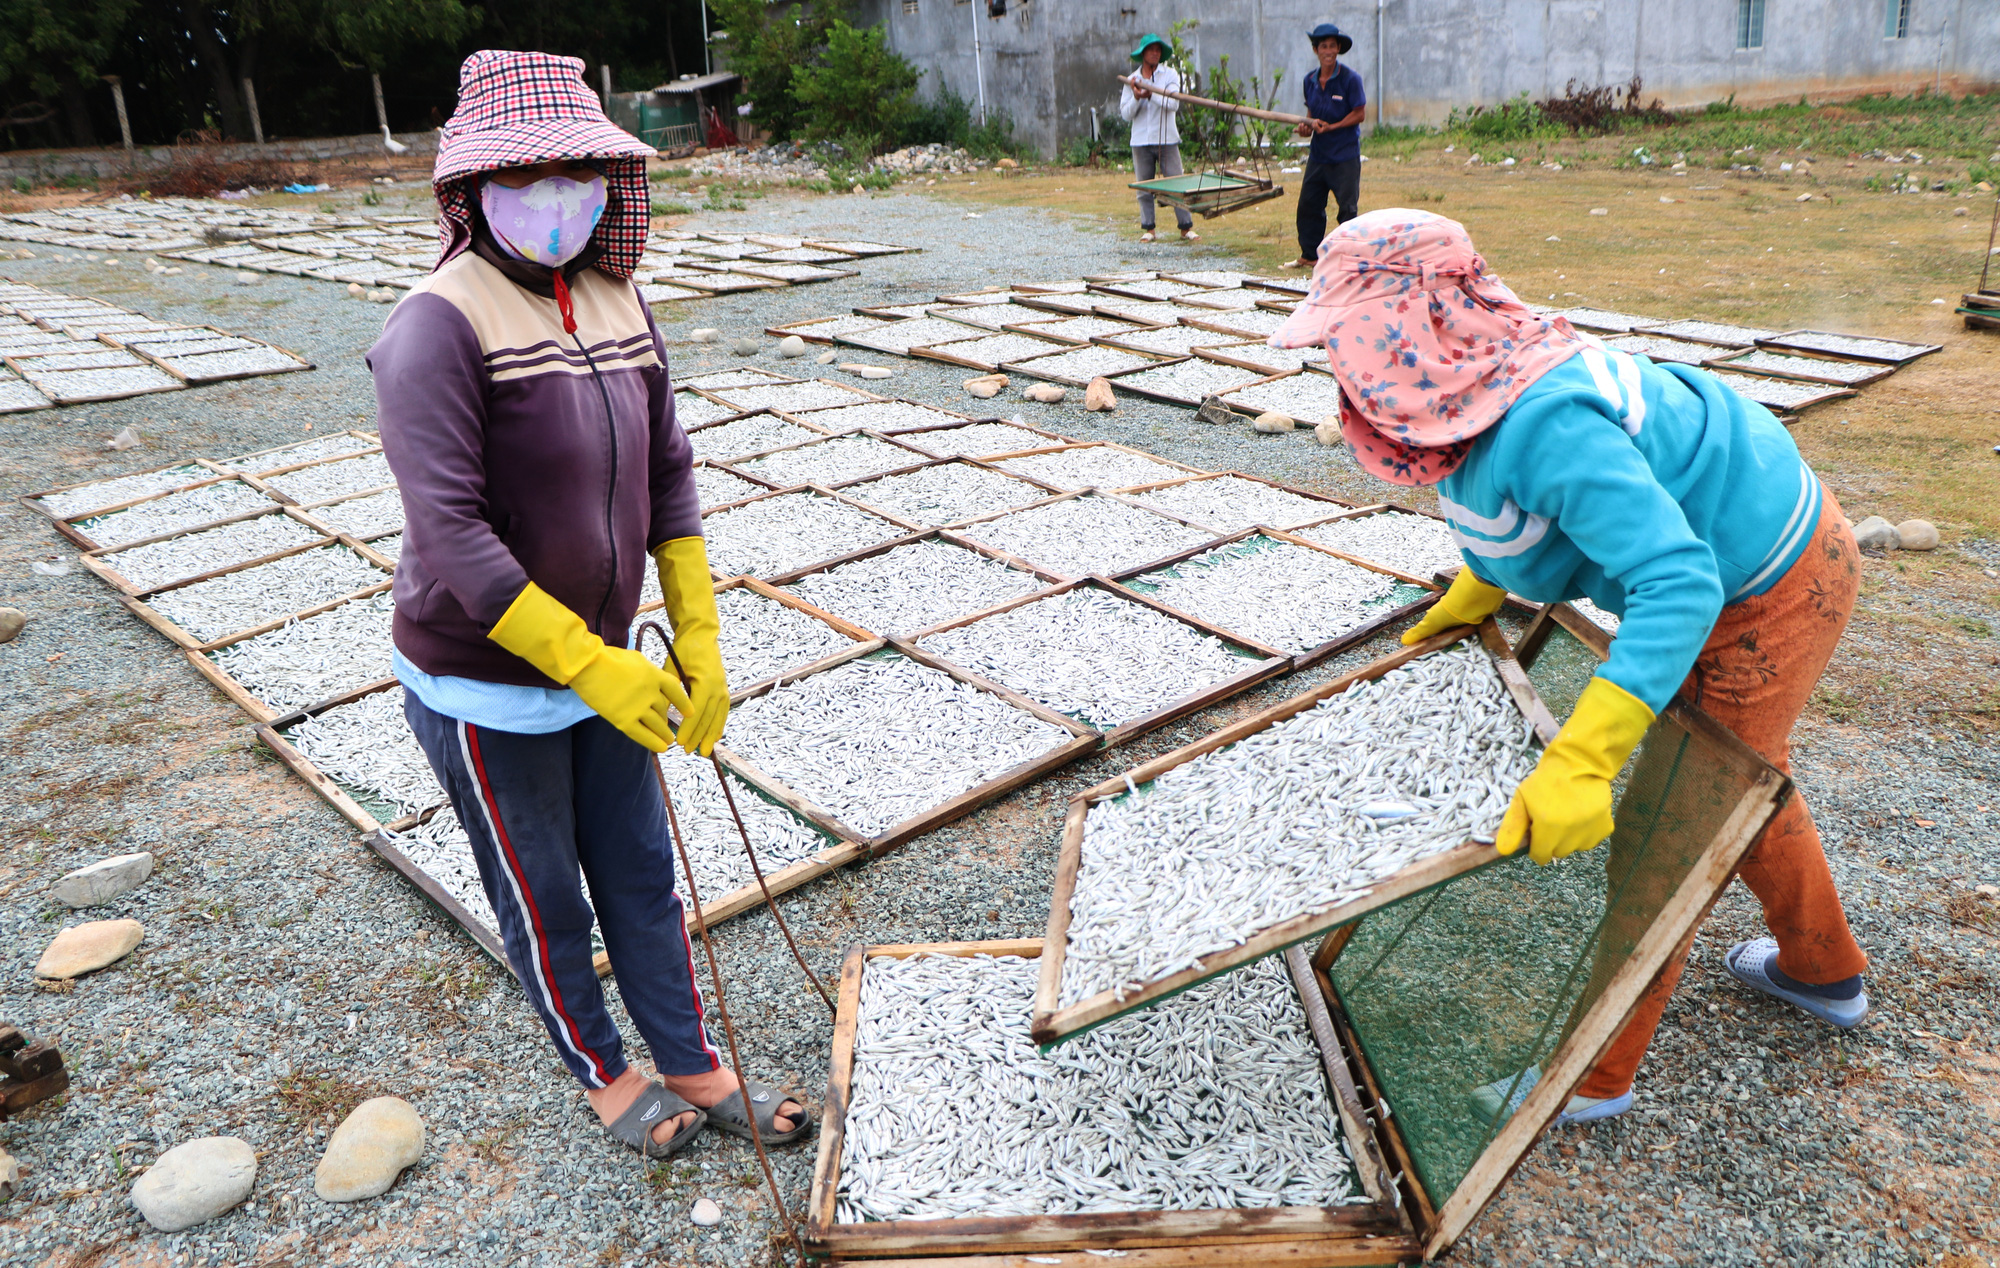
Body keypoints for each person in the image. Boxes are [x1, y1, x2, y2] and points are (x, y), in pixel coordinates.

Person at [1273, 209, 1869, 1125]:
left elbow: (1676, 582)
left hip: (1766, 587)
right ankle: (1823, 971)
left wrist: (1582, 762)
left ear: (1421, 332)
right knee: (1739, 780)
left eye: (1354, 343)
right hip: (1736, 546)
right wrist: (1482, 583)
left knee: (1667, 827)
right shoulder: (1475, 387)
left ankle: (1594, 1076)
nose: (1345, 368)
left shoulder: (1548, 419)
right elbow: (1534, 511)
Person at [368, 50, 809, 1160]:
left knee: (641, 874)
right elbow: (452, 536)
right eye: (530, 169)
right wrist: (586, 663)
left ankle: (692, 1058)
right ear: (473, 187)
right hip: (488, 680)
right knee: (543, 891)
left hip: (604, 663)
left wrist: (697, 636)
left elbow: (667, 470)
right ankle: (604, 1072)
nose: (558, 189)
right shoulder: (436, 326)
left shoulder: (615, 295)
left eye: (581, 166)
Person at [1290, 23, 1367, 268]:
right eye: (1324, 46)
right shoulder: (1309, 81)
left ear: (1338, 49)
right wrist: (1306, 127)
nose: (1329, 51)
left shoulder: (1350, 79)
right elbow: (1312, 115)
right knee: (1309, 205)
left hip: (1344, 155)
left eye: (1333, 46)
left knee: (1347, 209)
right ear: (1316, 50)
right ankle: (1310, 256)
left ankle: (1348, 258)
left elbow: (1359, 114)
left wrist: (1331, 128)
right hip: (1319, 155)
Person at [1119, 33, 1199, 244]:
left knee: (1178, 184)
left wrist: (1151, 93)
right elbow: (1126, 114)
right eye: (1151, 50)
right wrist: (1137, 97)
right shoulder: (1132, 80)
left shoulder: (1169, 75)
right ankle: (1149, 229)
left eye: (1158, 50)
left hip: (1167, 139)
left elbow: (1173, 103)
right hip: (1140, 141)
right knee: (1144, 187)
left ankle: (1186, 228)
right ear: (1143, 53)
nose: (1155, 53)